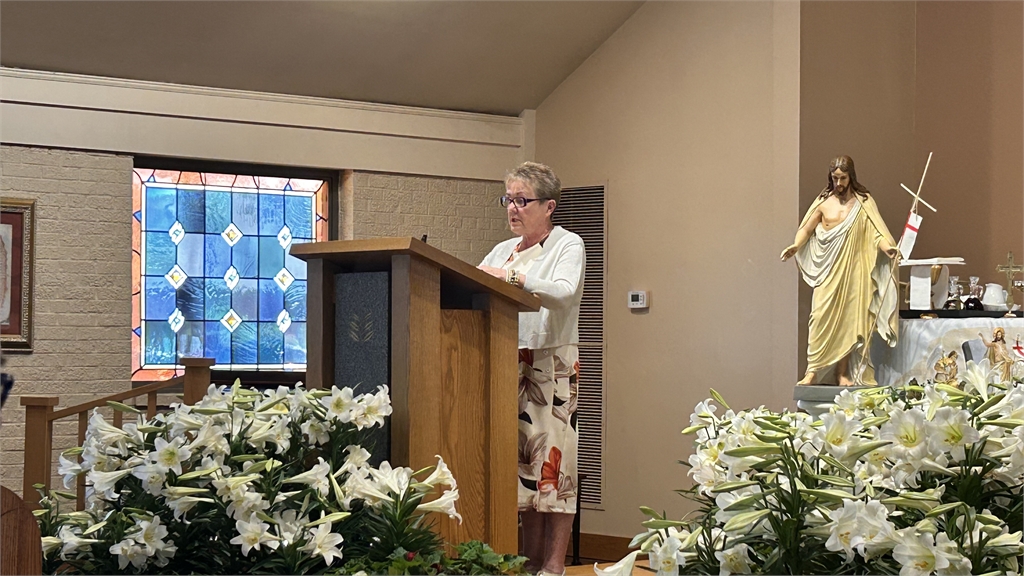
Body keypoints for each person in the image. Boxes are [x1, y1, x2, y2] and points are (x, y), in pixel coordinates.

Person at [478, 162, 584, 576]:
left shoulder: (567, 244)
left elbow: (563, 292)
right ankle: (530, 560)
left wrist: (511, 278)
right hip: (507, 360)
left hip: (550, 362)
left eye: (522, 200)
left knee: (555, 468)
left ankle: (554, 564)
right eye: (508, 199)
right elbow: (476, 282)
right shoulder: (501, 250)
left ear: (549, 206)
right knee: (524, 468)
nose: (512, 208)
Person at [781, 155, 899, 386]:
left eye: (842, 178)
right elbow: (806, 228)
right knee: (818, 317)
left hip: (854, 273)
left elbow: (876, 234)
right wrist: (796, 245)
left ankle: (842, 373)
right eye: (834, 178)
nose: (838, 183)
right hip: (828, 271)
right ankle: (812, 371)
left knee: (849, 323)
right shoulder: (823, 201)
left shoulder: (863, 202)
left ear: (850, 177)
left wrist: (888, 249)